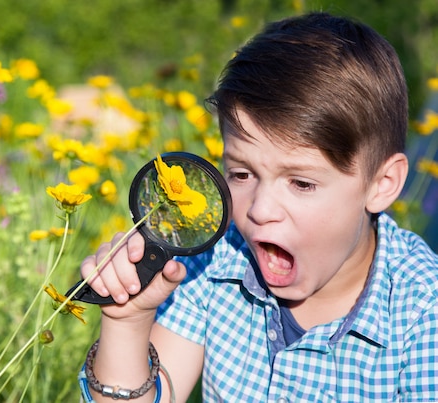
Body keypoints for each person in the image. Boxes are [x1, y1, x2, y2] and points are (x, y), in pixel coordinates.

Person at [78, 12, 438, 402]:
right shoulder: (214, 263)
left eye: (301, 183)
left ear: (382, 185)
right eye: (242, 174)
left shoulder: (422, 312)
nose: (261, 210)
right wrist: (127, 322)